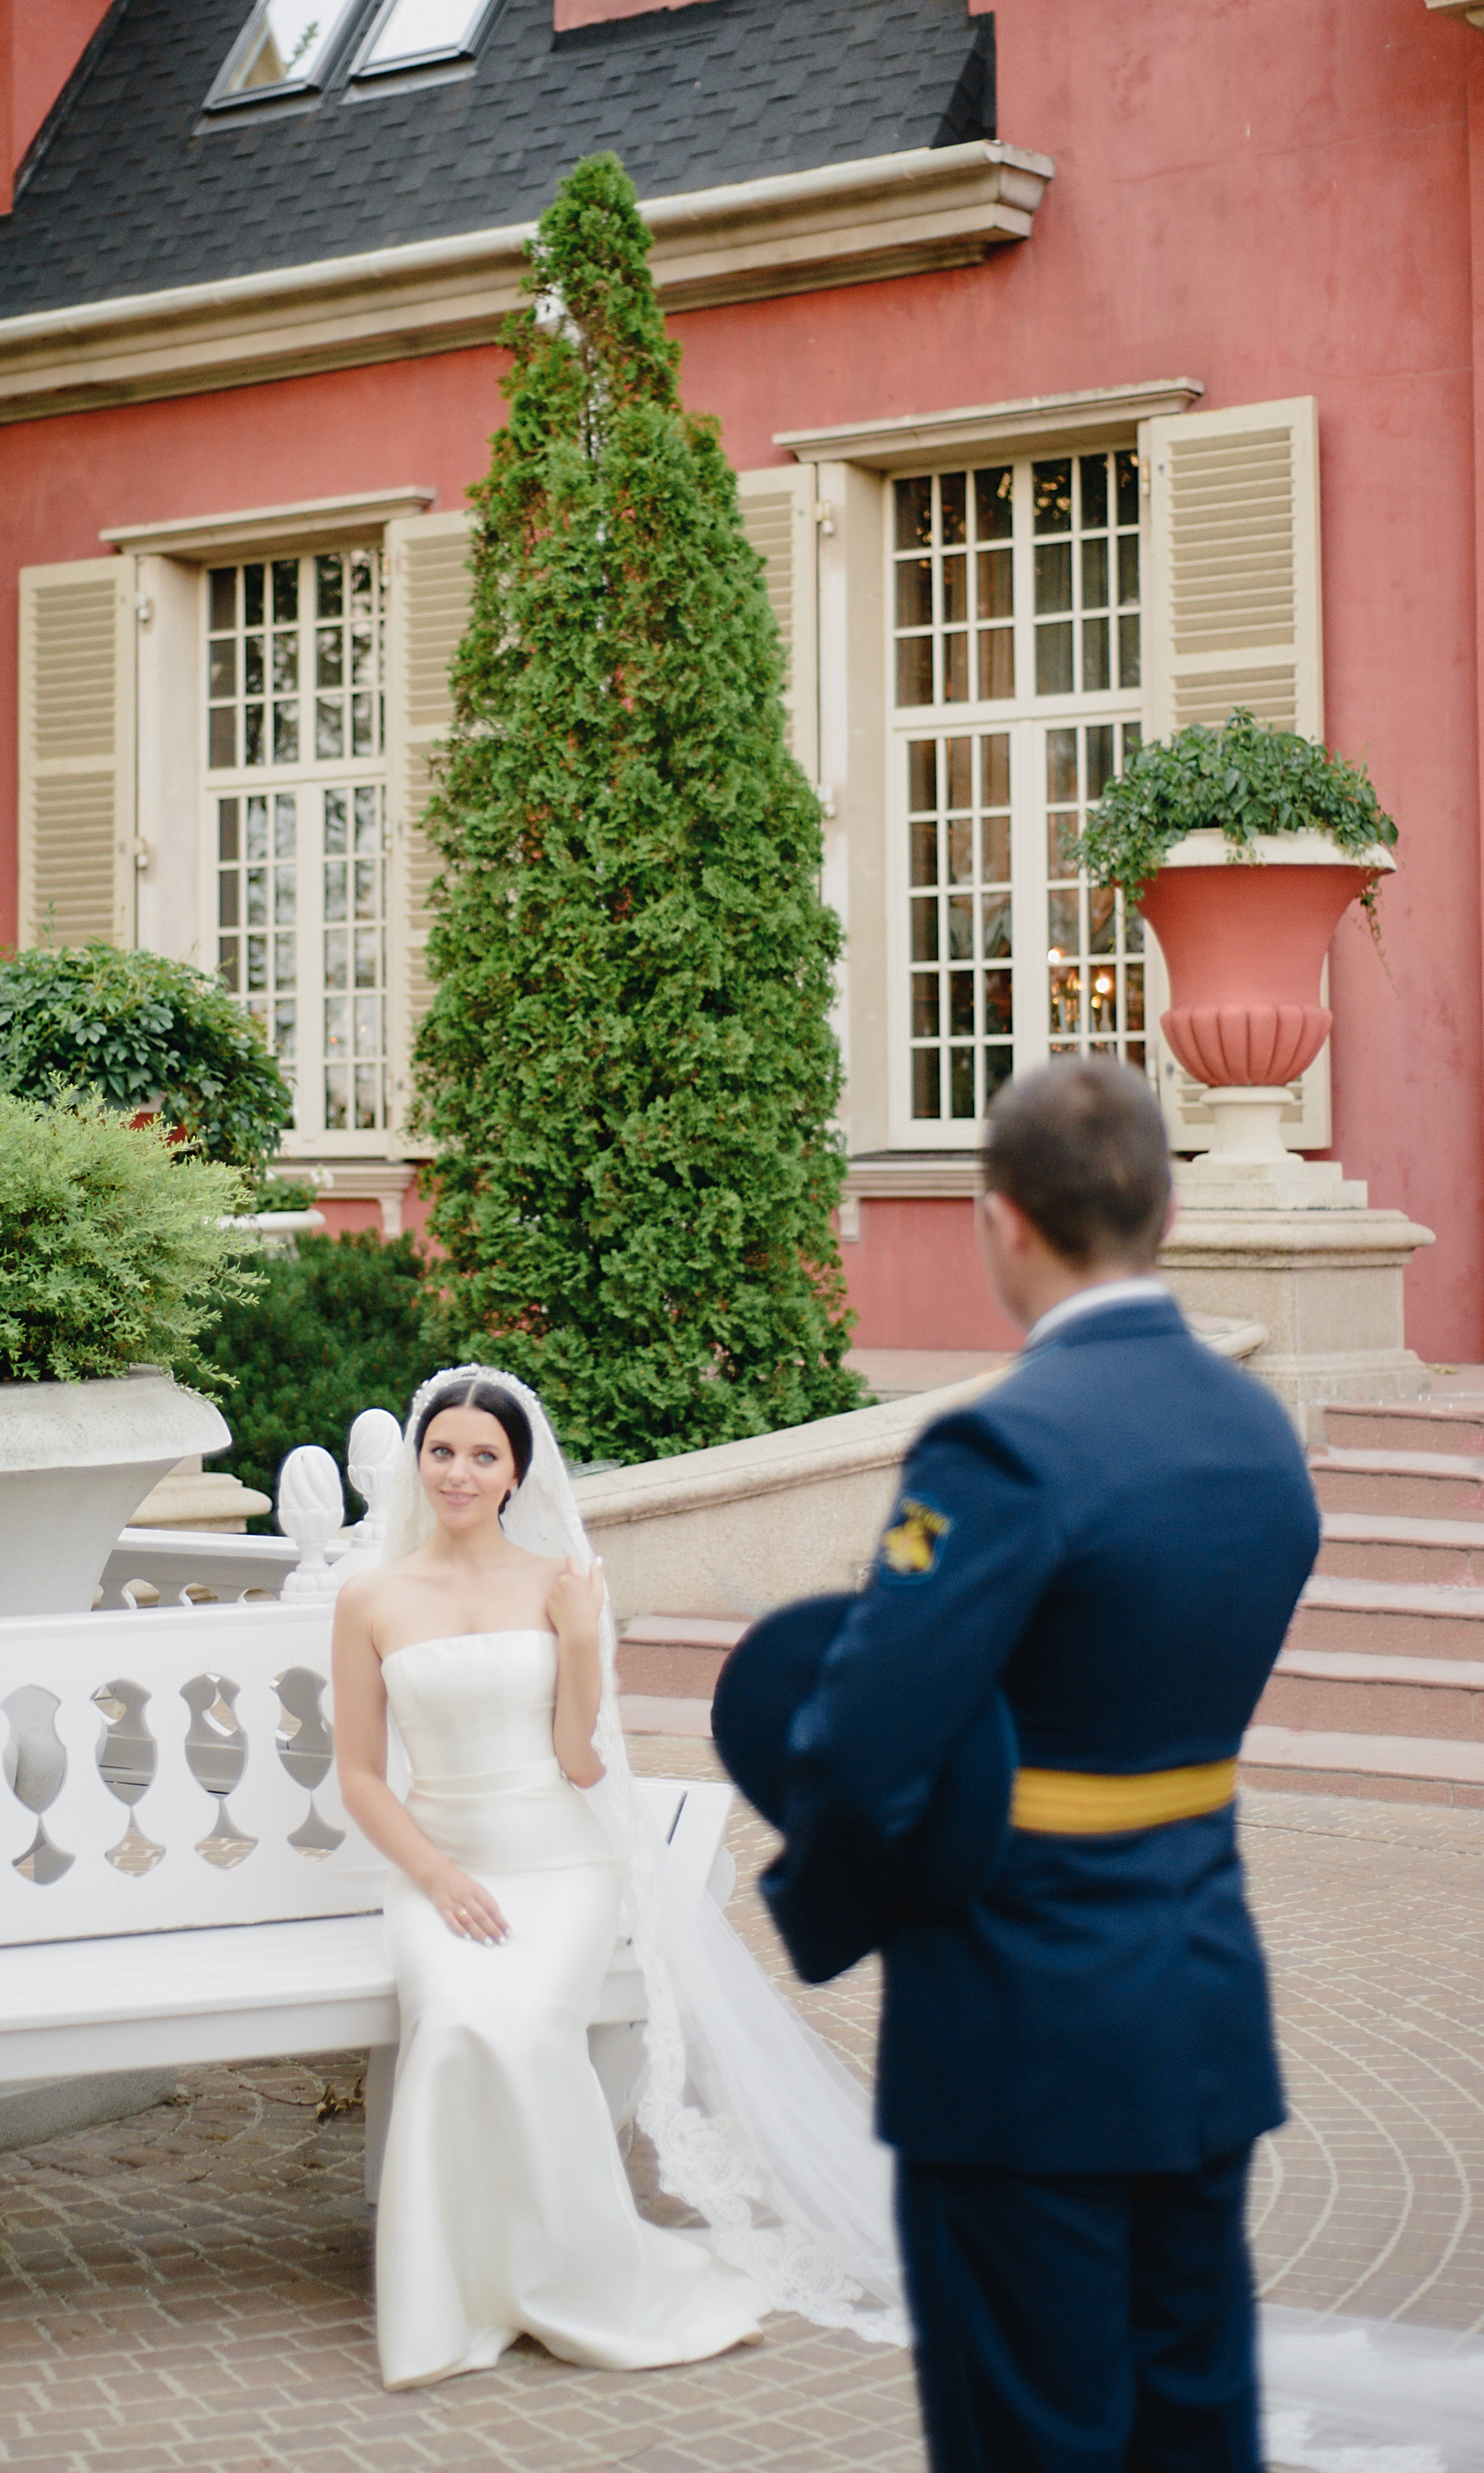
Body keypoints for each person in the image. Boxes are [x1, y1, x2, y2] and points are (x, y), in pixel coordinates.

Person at [769, 1056, 1322, 2473]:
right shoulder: (1256, 1426)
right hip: (1200, 2000)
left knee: (1036, 2437)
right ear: (1168, 1213)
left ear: (1001, 1219)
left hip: (1023, 2032)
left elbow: (865, 1744)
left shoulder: (1002, 1445)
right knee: (1195, 2425)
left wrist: (815, 1913)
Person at [331, 1370, 770, 2388]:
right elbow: (358, 1773)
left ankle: (570, 2277)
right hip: (443, 1866)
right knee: (451, 2026)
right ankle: (457, 2296)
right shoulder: (371, 1597)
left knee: (525, 2025)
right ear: (418, 1459)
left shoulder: (559, 1581)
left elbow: (581, 1760)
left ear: (516, 1471)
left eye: (484, 1455)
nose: (459, 1471)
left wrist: (581, 1635)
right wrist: (437, 1879)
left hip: (560, 1863)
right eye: (443, 1450)